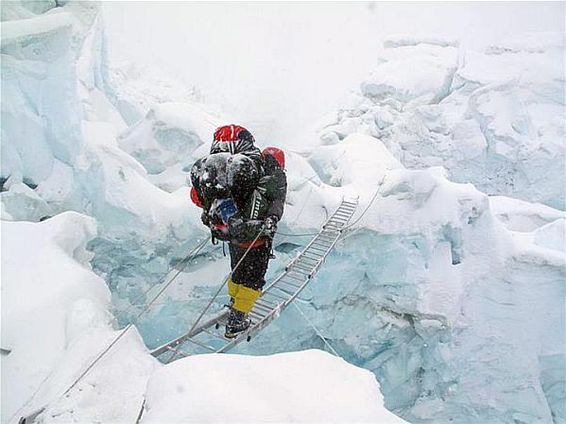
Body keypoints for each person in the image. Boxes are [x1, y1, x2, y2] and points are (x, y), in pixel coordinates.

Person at [190, 125, 287, 338]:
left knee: (238, 272)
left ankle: (235, 303)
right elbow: (277, 203)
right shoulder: (272, 177)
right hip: (256, 238)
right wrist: (270, 220)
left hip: (231, 235)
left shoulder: (237, 171)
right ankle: (237, 320)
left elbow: (197, 199)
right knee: (253, 280)